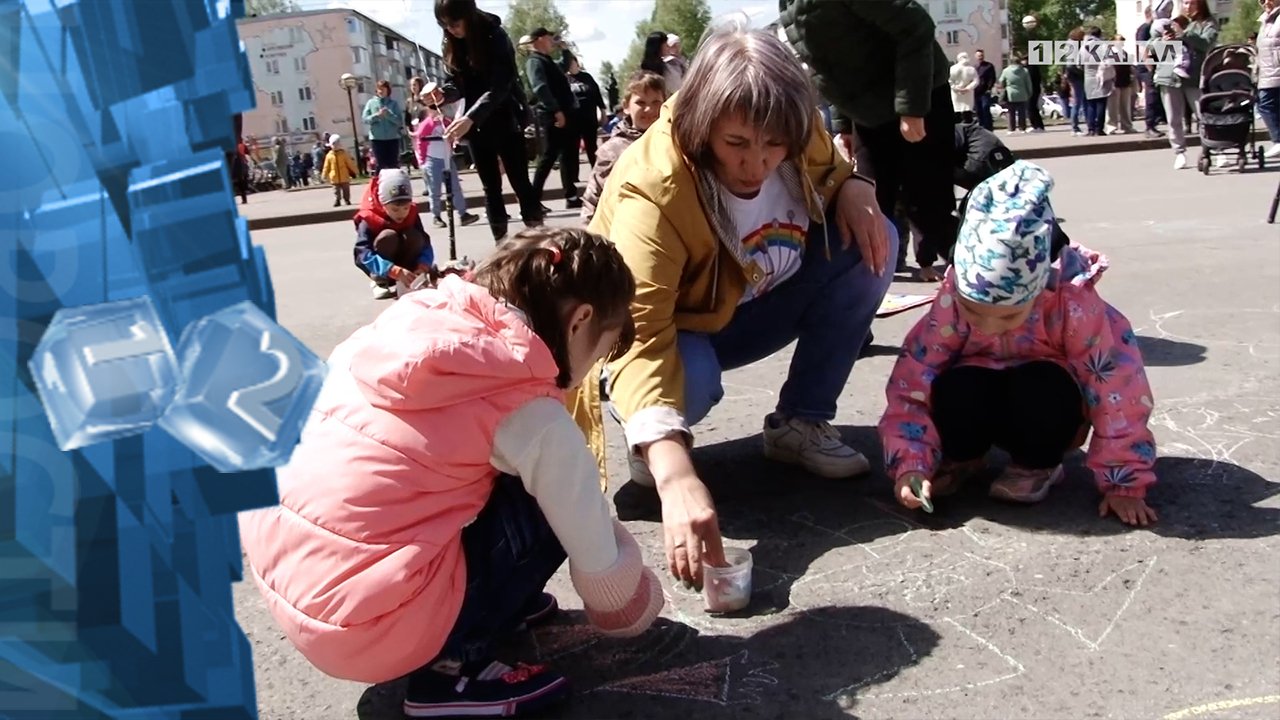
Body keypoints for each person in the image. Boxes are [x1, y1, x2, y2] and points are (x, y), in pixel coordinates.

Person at [239, 228, 664, 719]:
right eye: (600, 350)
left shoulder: (412, 327)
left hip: (299, 587)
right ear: (580, 322)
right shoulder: (525, 407)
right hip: (374, 627)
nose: (589, 370)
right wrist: (636, 598)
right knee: (549, 504)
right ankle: (452, 669)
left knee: (495, 477)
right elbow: (608, 586)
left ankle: (498, 604)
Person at [573, 28, 895, 589]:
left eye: (774, 145)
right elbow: (638, 332)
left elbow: (829, 168)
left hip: (751, 301)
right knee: (692, 384)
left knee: (874, 240)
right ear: (702, 126)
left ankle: (800, 422)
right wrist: (674, 475)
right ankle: (647, 437)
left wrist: (856, 186)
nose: (758, 164)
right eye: (737, 143)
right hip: (674, 332)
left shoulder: (789, 123)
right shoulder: (654, 188)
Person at [879, 160, 1159, 527]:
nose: (990, 326)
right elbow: (911, 385)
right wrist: (910, 463)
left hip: (1046, 406)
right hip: (981, 396)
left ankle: (1037, 462)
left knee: (1041, 384)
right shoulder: (950, 304)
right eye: (975, 312)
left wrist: (1123, 481)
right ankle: (961, 455)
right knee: (956, 385)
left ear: (1038, 287)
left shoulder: (1070, 304)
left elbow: (1117, 389)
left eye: (1009, 315)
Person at [777, 0, 957, 283]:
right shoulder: (788, 3)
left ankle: (997, 293)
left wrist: (911, 107)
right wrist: (844, 125)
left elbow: (915, 26)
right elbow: (828, 66)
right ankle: (863, 299)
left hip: (918, 102)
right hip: (868, 115)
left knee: (930, 210)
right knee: (868, 207)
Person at [430, 0, 543, 243]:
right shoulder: (450, 42)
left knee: (520, 183)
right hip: (477, 126)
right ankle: (501, 247)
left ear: (469, 15)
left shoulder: (495, 35)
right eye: (444, 25)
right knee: (490, 189)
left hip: (505, 117)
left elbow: (501, 85)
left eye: (454, 23)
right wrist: (443, 94)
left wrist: (470, 117)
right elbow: (456, 84)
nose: (451, 30)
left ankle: (539, 243)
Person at [580, 70, 666, 224]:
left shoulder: (674, 142)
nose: (649, 109)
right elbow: (593, 200)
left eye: (656, 102)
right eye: (641, 103)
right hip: (627, 230)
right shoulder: (613, 150)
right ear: (626, 106)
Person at [352, 168, 433, 300]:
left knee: (414, 235)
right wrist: (392, 270)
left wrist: (423, 264)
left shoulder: (411, 214)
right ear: (383, 204)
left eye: (405, 208)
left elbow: (425, 243)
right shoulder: (369, 217)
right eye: (395, 209)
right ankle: (380, 282)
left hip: (404, 268)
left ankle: (412, 277)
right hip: (383, 266)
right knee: (388, 236)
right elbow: (362, 254)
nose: (401, 214)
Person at [525, 27, 582, 210]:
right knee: (549, 157)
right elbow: (540, 88)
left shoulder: (546, 60)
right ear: (541, 38)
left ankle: (571, 195)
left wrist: (565, 49)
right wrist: (556, 110)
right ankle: (532, 200)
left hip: (564, 113)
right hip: (553, 115)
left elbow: (564, 66)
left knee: (567, 155)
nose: (552, 41)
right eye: (550, 38)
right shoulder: (534, 61)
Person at [413, 94, 480, 228]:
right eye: (433, 108)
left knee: (455, 188)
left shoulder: (446, 122)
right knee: (435, 190)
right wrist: (422, 160)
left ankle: (463, 214)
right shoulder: (427, 124)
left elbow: (455, 133)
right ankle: (436, 216)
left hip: (447, 160)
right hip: (433, 160)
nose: (438, 111)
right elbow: (419, 139)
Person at [562, 51, 608, 168]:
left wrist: (603, 112)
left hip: (589, 117)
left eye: (572, 62)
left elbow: (597, 95)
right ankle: (573, 176)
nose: (571, 65)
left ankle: (596, 171)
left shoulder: (586, 77)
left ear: (577, 63)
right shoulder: (565, 79)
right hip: (573, 119)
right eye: (568, 63)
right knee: (573, 147)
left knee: (591, 146)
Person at [362, 80, 404, 170]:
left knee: (393, 165)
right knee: (380, 165)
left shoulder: (394, 104)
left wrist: (389, 115)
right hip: (377, 139)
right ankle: (382, 183)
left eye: (383, 89)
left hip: (392, 139)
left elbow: (399, 121)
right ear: (376, 90)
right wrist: (377, 116)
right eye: (379, 89)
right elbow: (365, 119)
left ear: (388, 90)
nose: (381, 91)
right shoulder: (371, 103)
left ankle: (393, 183)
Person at [1082, 27, 1115, 136]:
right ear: (1099, 35)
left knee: (1091, 104)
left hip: (1088, 77)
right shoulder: (1103, 46)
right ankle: (1099, 129)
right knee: (1101, 103)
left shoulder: (1083, 47)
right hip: (1102, 76)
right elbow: (1110, 61)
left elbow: (1078, 63)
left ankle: (1091, 128)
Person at [1260, 0, 1280, 158]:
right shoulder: (1266, 19)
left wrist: (1185, 36)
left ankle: (1180, 153)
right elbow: (1166, 62)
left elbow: (1206, 44)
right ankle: (1179, 151)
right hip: (1172, 78)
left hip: (1195, 78)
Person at [998, 53, 1032, 133]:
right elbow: (1028, 83)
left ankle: (1011, 129)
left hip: (1010, 94)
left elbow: (1001, 81)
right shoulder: (1024, 71)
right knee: (1022, 112)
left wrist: (1004, 87)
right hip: (1022, 93)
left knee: (1011, 112)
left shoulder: (1006, 71)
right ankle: (1022, 128)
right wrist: (1029, 93)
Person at [1108, 37, 1137, 134]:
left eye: (1122, 40)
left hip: (1125, 81)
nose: (1121, 42)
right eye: (1119, 40)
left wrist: (1132, 77)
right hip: (1114, 82)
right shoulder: (1109, 53)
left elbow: (1130, 67)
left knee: (1125, 106)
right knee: (1112, 107)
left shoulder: (1124, 53)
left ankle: (1127, 126)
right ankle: (1111, 127)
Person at [321, 134, 358, 207]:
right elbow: (326, 166)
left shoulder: (344, 154)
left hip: (344, 176)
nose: (335, 146)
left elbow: (350, 163)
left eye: (336, 144)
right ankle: (337, 200)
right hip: (334, 177)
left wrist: (355, 171)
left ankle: (347, 200)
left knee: (346, 190)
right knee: (336, 190)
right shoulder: (329, 155)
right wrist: (324, 175)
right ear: (331, 145)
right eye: (333, 144)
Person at [950, 52, 978, 124]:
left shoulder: (953, 68)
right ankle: (967, 128)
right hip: (965, 93)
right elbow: (976, 81)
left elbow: (949, 81)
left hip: (958, 93)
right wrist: (967, 88)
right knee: (965, 110)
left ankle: (958, 130)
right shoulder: (971, 69)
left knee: (960, 111)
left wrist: (956, 88)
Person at [974, 48, 998, 130]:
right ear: (975, 56)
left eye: (981, 55)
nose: (980, 57)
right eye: (978, 56)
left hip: (985, 92)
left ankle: (989, 127)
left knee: (985, 108)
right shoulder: (974, 67)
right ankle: (981, 127)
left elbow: (992, 78)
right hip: (976, 92)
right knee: (978, 110)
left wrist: (989, 88)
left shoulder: (989, 66)